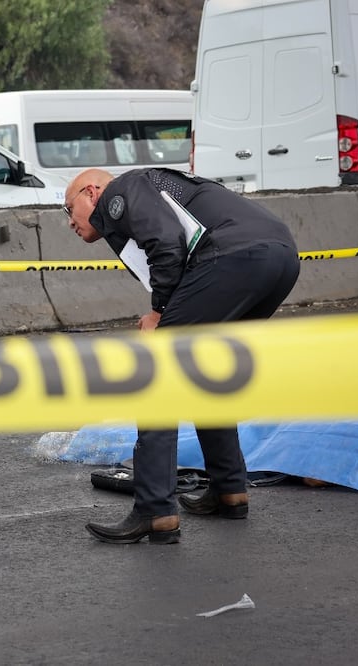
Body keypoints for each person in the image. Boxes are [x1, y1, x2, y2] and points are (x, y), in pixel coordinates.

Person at [64, 167, 299, 545]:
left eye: (67, 207)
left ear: (91, 192)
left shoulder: (121, 192)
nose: (69, 222)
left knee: (157, 378)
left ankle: (155, 510)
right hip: (279, 258)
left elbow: (167, 244)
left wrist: (158, 312)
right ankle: (228, 490)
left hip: (232, 257)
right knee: (207, 371)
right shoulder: (153, 190)